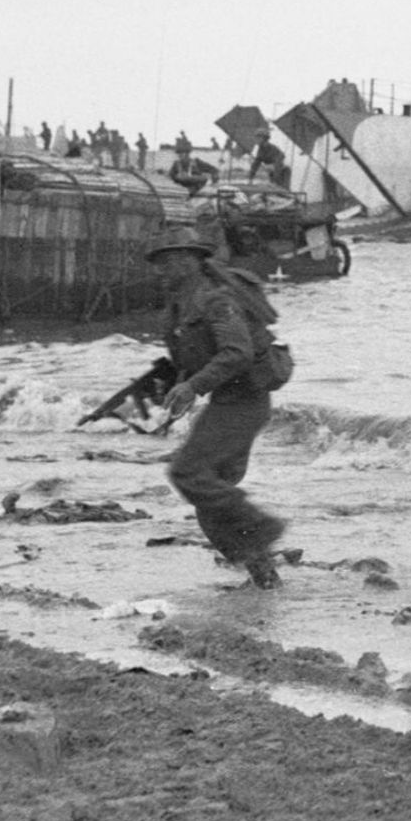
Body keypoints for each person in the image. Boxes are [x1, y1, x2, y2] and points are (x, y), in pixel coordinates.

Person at [148, 227, 287, 589]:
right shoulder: (180, 305)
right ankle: (264, 579)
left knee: (187, 474)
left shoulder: (215, 300)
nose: (159, 270)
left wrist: (193, 386)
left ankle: (262, 527)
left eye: (166, 262)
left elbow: (237, 352)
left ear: (189, 262)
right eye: (158, 263)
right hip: (227, 402)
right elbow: (196, 354)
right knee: (209, 502)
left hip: (245, 403)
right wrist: (172, 381)